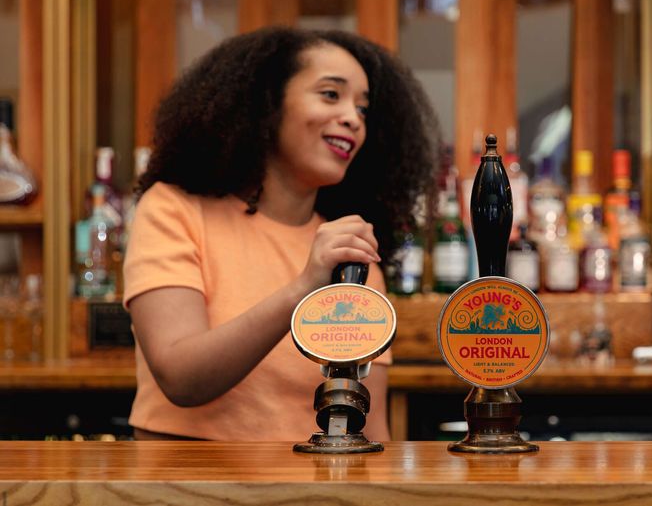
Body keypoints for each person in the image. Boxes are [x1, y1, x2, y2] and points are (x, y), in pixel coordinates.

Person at [124, 27, 440, 441]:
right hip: (186, 490)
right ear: (267, 105)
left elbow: (371, 426)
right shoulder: (174, 209)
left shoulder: (351, 252)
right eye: (331, 94)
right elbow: (181, 377)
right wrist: (304, 288)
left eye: (363, 110)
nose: (352, 119)